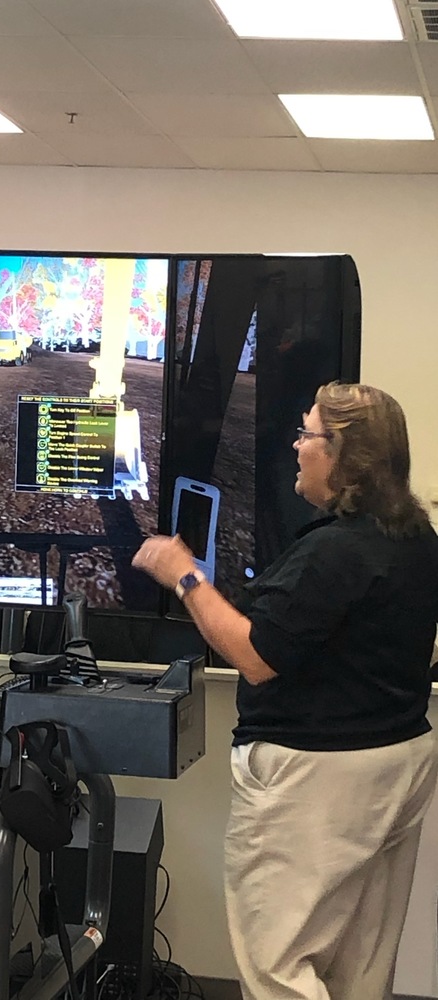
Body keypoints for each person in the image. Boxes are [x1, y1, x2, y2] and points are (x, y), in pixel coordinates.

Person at [132, 382, 438, 1000]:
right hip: (397, 758)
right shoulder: (416, 539)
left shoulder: (333, 553)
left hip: (316, 778)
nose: (297, 446)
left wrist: (183, 575)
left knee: (277, 966)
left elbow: (254, 656)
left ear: (344, 455)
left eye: (308, 434)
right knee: (360, 968)